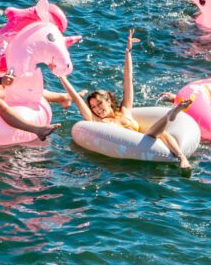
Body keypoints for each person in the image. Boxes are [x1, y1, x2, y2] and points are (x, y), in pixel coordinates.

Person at [59, 29, 194, 170]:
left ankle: (181, 155)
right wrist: (61, 76)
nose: (97, 108)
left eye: (99, 103)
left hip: (145, 138)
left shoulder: (125, 110)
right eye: (93, 107)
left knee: (161, 133)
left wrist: (128, 51)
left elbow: (128, 79)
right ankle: (169, 115)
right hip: (137, 145)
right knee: (157, 133)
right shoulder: (96, 121)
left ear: (109, 101)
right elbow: (75, 97)